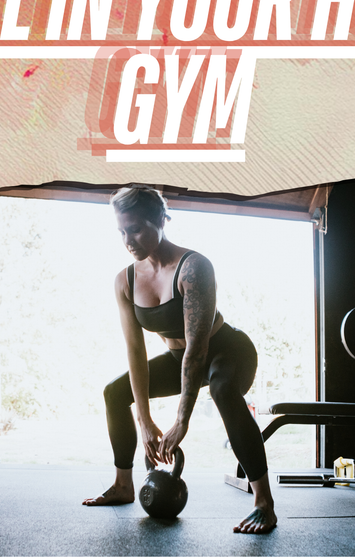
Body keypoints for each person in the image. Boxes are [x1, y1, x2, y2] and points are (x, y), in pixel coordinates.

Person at [82, 185, 277, 534]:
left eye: (136, 228)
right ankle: (123, 484)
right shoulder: (125, 281)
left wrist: (181, 420)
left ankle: (264, 502)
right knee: (115, 392)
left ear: (160, 219)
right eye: (122, 231)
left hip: (226, 350)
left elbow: (197, 350)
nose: (129, 239)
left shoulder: (194, 267)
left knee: (221, 388)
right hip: (177, 357)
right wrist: (144, 419)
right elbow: (136, 352)